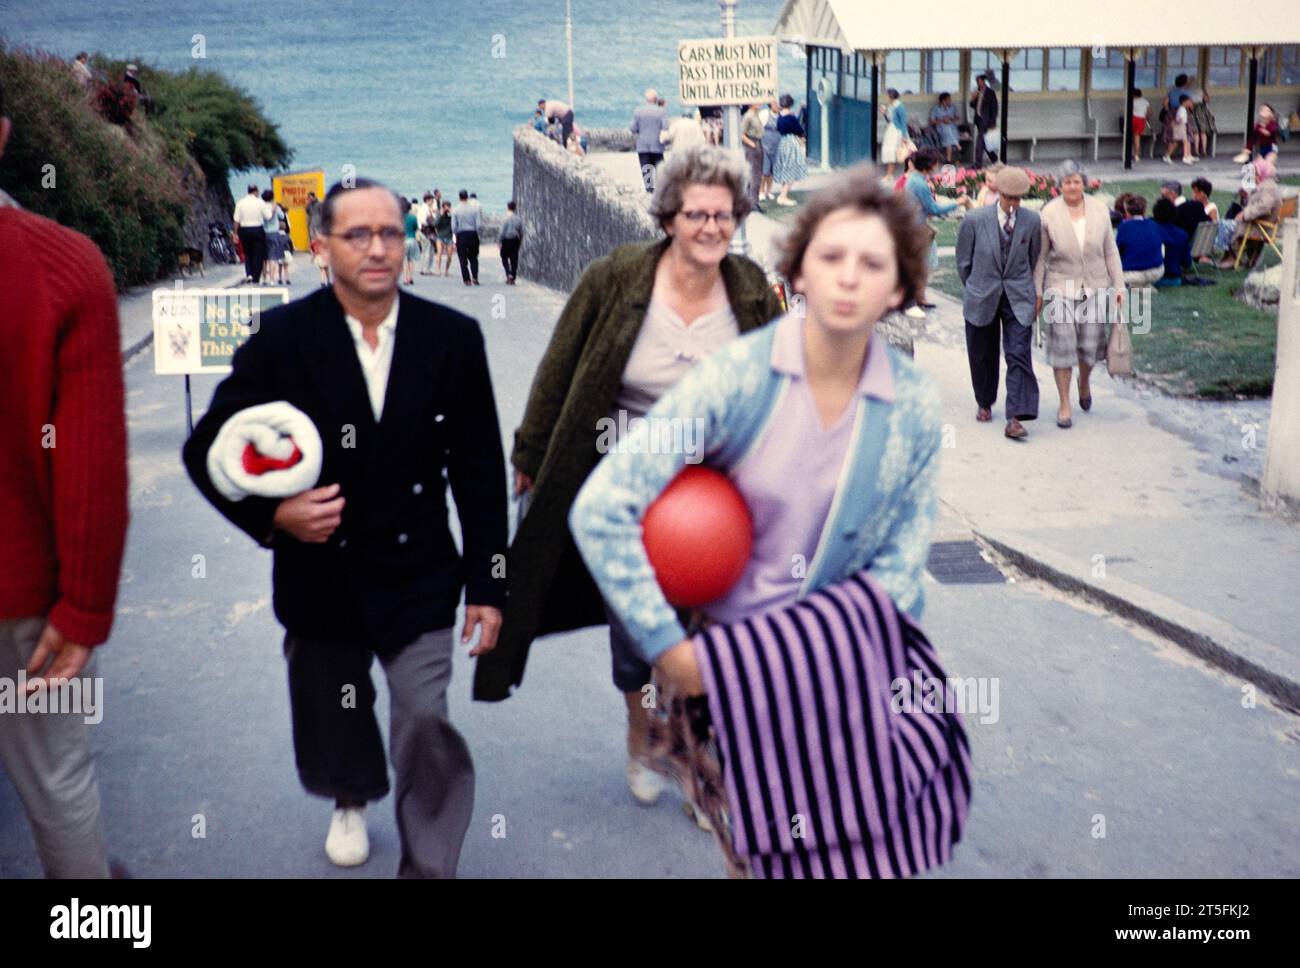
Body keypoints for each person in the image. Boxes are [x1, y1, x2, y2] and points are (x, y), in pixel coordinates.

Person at [568, 166, 970, 879]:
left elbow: (904, 567)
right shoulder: (734, 380)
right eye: (831, 257)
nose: (849, 277)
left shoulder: (910, 403)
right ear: (798, 272)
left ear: (902, 288)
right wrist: (670, 647)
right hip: (735, 680)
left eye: (873, 263)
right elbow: (603, 507)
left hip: (844, 673)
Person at [182, 177, 507, 876]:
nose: (378, 248)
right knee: (336, 705)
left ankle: (429, 861)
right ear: (321, 248)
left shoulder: (452, 338)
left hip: (418, 570)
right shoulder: (283, 339)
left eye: (390, 233)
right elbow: (205, 448)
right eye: (357, 235)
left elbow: (479, 467)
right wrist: (272, 516)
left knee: (424, 717)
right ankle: (350, 796)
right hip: (320, 573)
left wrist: (489, 583)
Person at [473, 145, 783, 823]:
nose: (710, 227)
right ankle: (643, 732)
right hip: (626, 484)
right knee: (637, 635)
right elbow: (560, 365)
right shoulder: (615, 277)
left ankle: (700, 766)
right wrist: (530, 449)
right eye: (696, 214)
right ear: (669, 217)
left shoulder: (751, 287)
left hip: (721, 487)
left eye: (723, 215)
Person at [0, 84, 129, 878]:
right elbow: (88, 470)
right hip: (25, 602)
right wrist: (83, 606)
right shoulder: (62, 266)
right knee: (58, 780)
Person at [1034, 160, 1125, 428]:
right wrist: (1038, 291)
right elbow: (1040, 258)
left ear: (1083, 183)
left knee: (1089, 347)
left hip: (1095, 286)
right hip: (1061, 286)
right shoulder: (1048, 213)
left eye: (1076, 181)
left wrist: (1119, 285)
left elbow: (1110, 251)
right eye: (1066, 182)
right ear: (1059, 186)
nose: (1072, 187)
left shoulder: (1099, 210)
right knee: (1061, 346)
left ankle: (1083, 383)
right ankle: (1065, 404)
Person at [956, 166, 1042, 440]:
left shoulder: (1031, 221)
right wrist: (975, 286)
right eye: (1009, 198)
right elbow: (963, 263)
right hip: (982, 293)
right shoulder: (974, 220)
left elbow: (1033, 256)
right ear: (998, 195)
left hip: (1018, 296)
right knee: (982, 352)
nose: (1014, 204)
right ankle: (984, 401)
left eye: (1018, 199)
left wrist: (1027, 288)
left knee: (1018, 353)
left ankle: (1015, 416)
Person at [904, 150, 970, 318]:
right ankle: (914, 298)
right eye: (936, 164)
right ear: (929, 166)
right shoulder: (919, 183)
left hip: (915, 224)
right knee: (925, 263)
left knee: (925, 262)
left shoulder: (915, 179)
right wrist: (957, 203)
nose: (938, 167)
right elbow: (933, 208)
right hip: (917, 228)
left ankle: (920, 297)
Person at [1218, 154, 1282, 269]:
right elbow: (1259, 204)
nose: (1253, 176)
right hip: (1260, 223)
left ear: (1263, 173)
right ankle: (1230, 256)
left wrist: (1244, 215)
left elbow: (1263, 207)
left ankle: (1233, 258)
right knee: (1231, 216)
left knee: (1226, 224)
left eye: (1256, 173)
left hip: (1260, 227)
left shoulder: (1269, 188)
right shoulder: (1266, 185)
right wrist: (1246, 196)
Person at [1114, 195, 1167, 287]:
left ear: (1126, 211)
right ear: (1145, 210)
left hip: (1132, 273)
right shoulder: (1154, 224)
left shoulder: (1124, 227)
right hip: (1157, 271)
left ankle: (1138, 286)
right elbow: (1168, 242)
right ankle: (1144, 285)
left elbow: (1116, 251)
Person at [772, 93, 807, 207]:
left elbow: (778, 128)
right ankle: (783, 196)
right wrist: (802, 137)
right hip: (791, 142)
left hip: (782, 142)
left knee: (785, 169)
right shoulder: (791, 117)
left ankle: (783, 194)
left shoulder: (779, 117)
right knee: (791, 169)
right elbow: (798, 129)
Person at [632, 88, 669, 193]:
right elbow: (665, 127)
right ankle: (662, 190)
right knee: (660, 168)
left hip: (643, 145)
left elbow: (633, 128)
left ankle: (649, 190)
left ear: (646, 99)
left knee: (646, 168)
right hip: (657, 144)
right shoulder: (661, 112)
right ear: (655, 99)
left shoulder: (638, 112)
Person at [233, 184, 270, 285]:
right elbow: (268, 216)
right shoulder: (260, 202)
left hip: (244, 230)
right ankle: (256, 278)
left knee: (247, 253)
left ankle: (249, 274)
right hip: (257, 229)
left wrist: (235, 233)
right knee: (258, 254)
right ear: (256, 191)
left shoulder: (240, 202)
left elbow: (236, 220)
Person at [1150, 197, 1190, 285]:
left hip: (1152, 277)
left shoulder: (1150, 231)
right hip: (1174, 279)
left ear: (1155, 213)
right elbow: (1187, 263)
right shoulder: (1182, 234)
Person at [452, 189, 481, 285]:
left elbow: (453, 226)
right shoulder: (475, 209)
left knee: (462, 258)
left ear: (459, 197)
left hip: (461, 234)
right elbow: (478, 225)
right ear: (467, 197)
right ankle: (475, 277)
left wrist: (456, 234)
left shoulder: (455, 209)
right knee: (473, 257)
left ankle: (466, 279)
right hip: (472, 233)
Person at [970, 72, 999, 167]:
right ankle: (995, 161)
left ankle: (977, 164)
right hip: (979, 120)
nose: (977, 83)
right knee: (985, 142)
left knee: (979, 142)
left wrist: (992, 122)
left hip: (986, 121)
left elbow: (994, 108)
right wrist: (973, 98)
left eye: (978, 81)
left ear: (983, 81)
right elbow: (972, 105)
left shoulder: (990, 92)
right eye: (976, 81)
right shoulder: (977, 91)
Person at [740, 102, 765, 210]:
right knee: (754, 175)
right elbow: (742, 133)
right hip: (752, 145)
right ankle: (753, 203)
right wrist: (752, 144)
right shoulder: (748, 116)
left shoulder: (755, 114)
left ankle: (752, 201)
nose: (760, 103)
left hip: (758, 143)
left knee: (756, 174)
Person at [880, 89, 909, 180]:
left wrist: (904, 135)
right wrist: (884, 113)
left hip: (897, 131)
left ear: (891, 96)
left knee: (894, 151)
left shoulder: (899, 106)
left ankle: (890, 174)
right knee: (889, 151)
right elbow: (889, 120)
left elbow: (903, 121)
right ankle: (890, 174)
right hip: (891, 129)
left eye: (887, 95)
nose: (886, 97)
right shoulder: (890, 106)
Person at [759, 98, 782, 201]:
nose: (778, 105)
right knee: (764, 172)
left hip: (777, 147)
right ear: (770, 105)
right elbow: (758, 129)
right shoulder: (764, 114)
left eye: (778, 103)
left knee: (772, 172)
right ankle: (761, 191)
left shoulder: (781, 115)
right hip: (765, 146)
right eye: (775, 103)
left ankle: (769, 191)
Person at [261, 189, 285, 285]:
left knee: (264, 258)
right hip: (274, 233)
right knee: (273, 257)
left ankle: (264, 279)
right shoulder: (275, 206)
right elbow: (282, 216)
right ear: (272, 197)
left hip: (263, 233)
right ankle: (271, 279)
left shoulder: (261, 207)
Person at [929, 92, 961, 163]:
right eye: (948, 100)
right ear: (943, 101)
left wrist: (950, 118)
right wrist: (942, 120)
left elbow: (958, 118)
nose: (950, 101)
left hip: (953, 128)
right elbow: (931, 122)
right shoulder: (936, 109)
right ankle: (956, 143)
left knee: (948, 136)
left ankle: (948, 160)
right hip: (941, 128)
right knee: (946, 130)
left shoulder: (953, 107)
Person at [499, 200, 522, 284]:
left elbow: (501, 231)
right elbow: (521, 231)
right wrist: (520, 241)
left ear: (507, 207)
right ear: (515, 208)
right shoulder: (518, 218)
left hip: (506, 240)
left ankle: (508, 273)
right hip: (515, 240)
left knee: (504, 257)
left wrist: (499, 241)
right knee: (514, 259)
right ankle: (513, 276)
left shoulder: (505, 218)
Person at [400, 196, 419, 285]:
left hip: (403, 240)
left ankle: (405, 279)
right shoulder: (413, 217)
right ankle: (410, 278)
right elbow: (416, 229)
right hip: (412, 239)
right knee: (411, 260)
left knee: (404, 261)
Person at [418, 192, 438, 275]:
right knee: (428, 251)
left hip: (426, 231)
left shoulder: (425, 208)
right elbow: (425, 221)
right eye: (431, 200)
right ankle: (426, 269)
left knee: (427, 250)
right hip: (426, 231)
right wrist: (433, 221)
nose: (432, 202)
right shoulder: (425, 208)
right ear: (427, 200)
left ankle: (425, 268)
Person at [435, 200, 455, 276]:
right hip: (440, 236)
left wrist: (452, 213)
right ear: (442, 207)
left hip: (449, 237)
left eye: (448, 206)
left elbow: (455, 223)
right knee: (439, 253)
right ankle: (438, 270)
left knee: (449, 256)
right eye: (445, 207)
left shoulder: (451, 215)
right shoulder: (439, 214)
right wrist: (441, 215)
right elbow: (436, 224)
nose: (446, 208)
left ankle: (446, 270)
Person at [1130, 88, 1150, 161]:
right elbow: (1149, 112)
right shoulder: (1145, 101)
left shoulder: (1132, 101)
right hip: (1141, 119)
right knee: (1137, 137)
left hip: (1133, 118)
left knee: (1131, 137)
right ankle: (1137, 155)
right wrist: (1147, 119)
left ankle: (1132, 153)